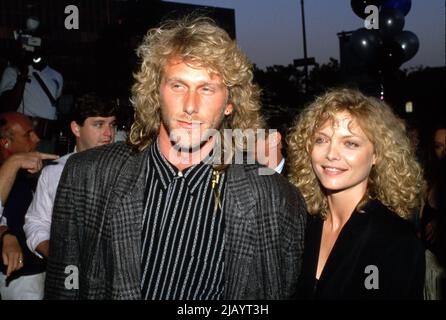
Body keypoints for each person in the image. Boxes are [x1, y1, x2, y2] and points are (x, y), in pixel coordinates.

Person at [44, 16, 306, 300]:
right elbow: (63, 288)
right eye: (178, 86)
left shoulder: (275, 198)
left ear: (230, 103)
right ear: (156, 92)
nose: (190, 106)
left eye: (207, 88)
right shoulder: (87, 174)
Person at [287, 88, 425, 299]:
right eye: (321, 140)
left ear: (377, 155)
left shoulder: (394, 242)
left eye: (350, 143)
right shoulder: (301, 224)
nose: (331, 154)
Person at [24, 93, 116, 260]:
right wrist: (58, 257)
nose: (108, 133)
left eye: (112, 125)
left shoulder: (123, 170)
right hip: (68, 276)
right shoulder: (55, 172)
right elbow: (37, 223)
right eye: (98, 124)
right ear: (76, 128)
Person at [0, 112, 58, 299]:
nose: (37, 138)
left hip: (32, 268)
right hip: (18, 277)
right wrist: (6, 235)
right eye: (28, 134)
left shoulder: (24, 174)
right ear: (5, 143)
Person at [0, 43, 63, 154]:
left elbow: (52, 105)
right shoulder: (13, 71)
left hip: (48, 137)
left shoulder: (57, 76)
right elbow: (8, 105)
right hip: (24, 136)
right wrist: (23, 75)